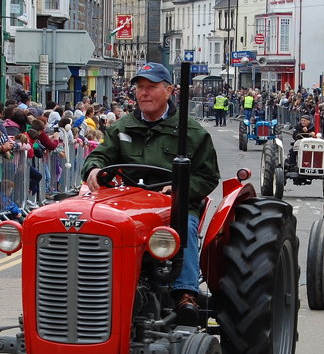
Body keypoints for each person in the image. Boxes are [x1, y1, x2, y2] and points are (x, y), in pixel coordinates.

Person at [81, 62, 220, 326]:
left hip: (175, 206)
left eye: (151, 87)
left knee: (185, 226)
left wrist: (182, 188)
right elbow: (99, 155)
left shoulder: (192, 133)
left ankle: (185, 293)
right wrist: (94, 169)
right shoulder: (122, 127)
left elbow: (208, 176)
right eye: (140, 87)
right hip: (127, 205)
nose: (143, 93)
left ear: (168, 91)